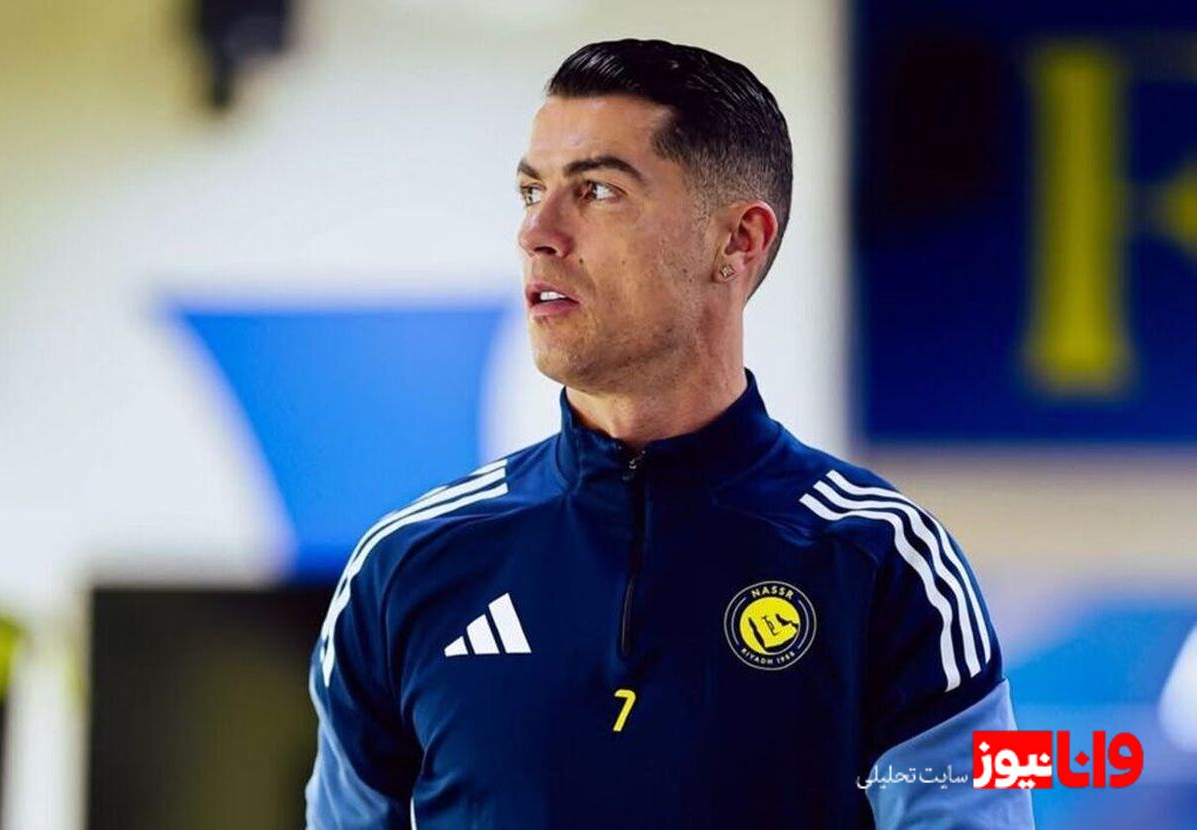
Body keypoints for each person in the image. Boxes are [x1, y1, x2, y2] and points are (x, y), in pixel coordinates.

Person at [305, 38, 1034, 829]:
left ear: (738, 240)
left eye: (597, 191)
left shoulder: (890, 563)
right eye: (531, 191)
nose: (538, 232)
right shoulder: (405, 566)